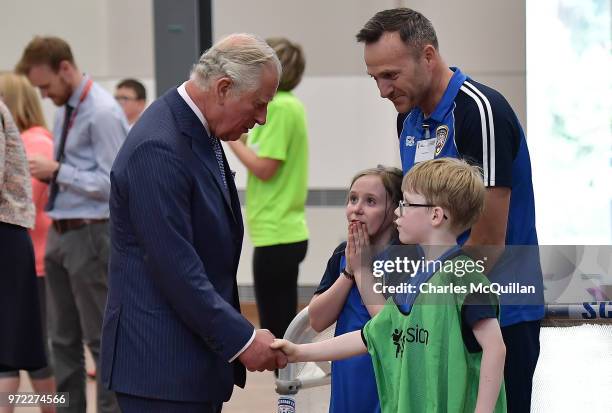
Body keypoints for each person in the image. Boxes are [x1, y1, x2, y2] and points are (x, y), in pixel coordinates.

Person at [356, 9, 543, 412]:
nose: (382, 90)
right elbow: (423, 224)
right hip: (437, 312)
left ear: (427, 56)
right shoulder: (408, 119)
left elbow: (489, 240)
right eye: (375, 78)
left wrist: (425, 303)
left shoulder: (480, 111)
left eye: (390, 75)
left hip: (497, 309)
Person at [100, 33, 288, 412]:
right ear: (223, 88)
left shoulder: (198, 128)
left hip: (188, 362)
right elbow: (176, 269)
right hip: (160, 369)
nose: (262, 118)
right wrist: (244, 338)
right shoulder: (159, 147)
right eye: (258, 104)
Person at [273, 158, 507, 413]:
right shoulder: (418, 278)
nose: (397, 211)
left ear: (436, 215)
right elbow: (371, 335)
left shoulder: (462, 277)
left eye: (406, 204)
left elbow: (495, 347)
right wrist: (299, 352)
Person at [16, 36, 127, 413]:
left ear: (65, 68)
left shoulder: (102, 111)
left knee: (100, 340)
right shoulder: (66, 107)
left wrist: (59, 171)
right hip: (60, 234)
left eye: (46, 86)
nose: (45, 95)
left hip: (91, 233)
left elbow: (115, 183)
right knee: (61, 341)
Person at [227, 37, 309, 342]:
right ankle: (286, 386)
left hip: (278, 231)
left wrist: (229, 138)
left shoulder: (281, 107)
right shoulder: (287, 107)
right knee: (282, 324)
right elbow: (259, 148)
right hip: (282, 230)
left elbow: (265, 166)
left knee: (276, 331)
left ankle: (285, 388)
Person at [307, 165, 403, 412]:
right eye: (353, 199)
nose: (357, 209)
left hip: (386, 381)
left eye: (371, 201)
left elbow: (390, 327)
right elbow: (317, 320)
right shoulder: (342, 253)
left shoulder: (405, 258)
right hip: (346, 380)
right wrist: (349, 271)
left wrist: (362, 270)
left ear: (394, 210)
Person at [0, 73, 56, 413]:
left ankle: (54, 407)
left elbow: (34, 198)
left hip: (30, 254)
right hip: (20, 246)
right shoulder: (22, 133)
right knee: (14, 350)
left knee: (33, 350)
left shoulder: (37, 139)